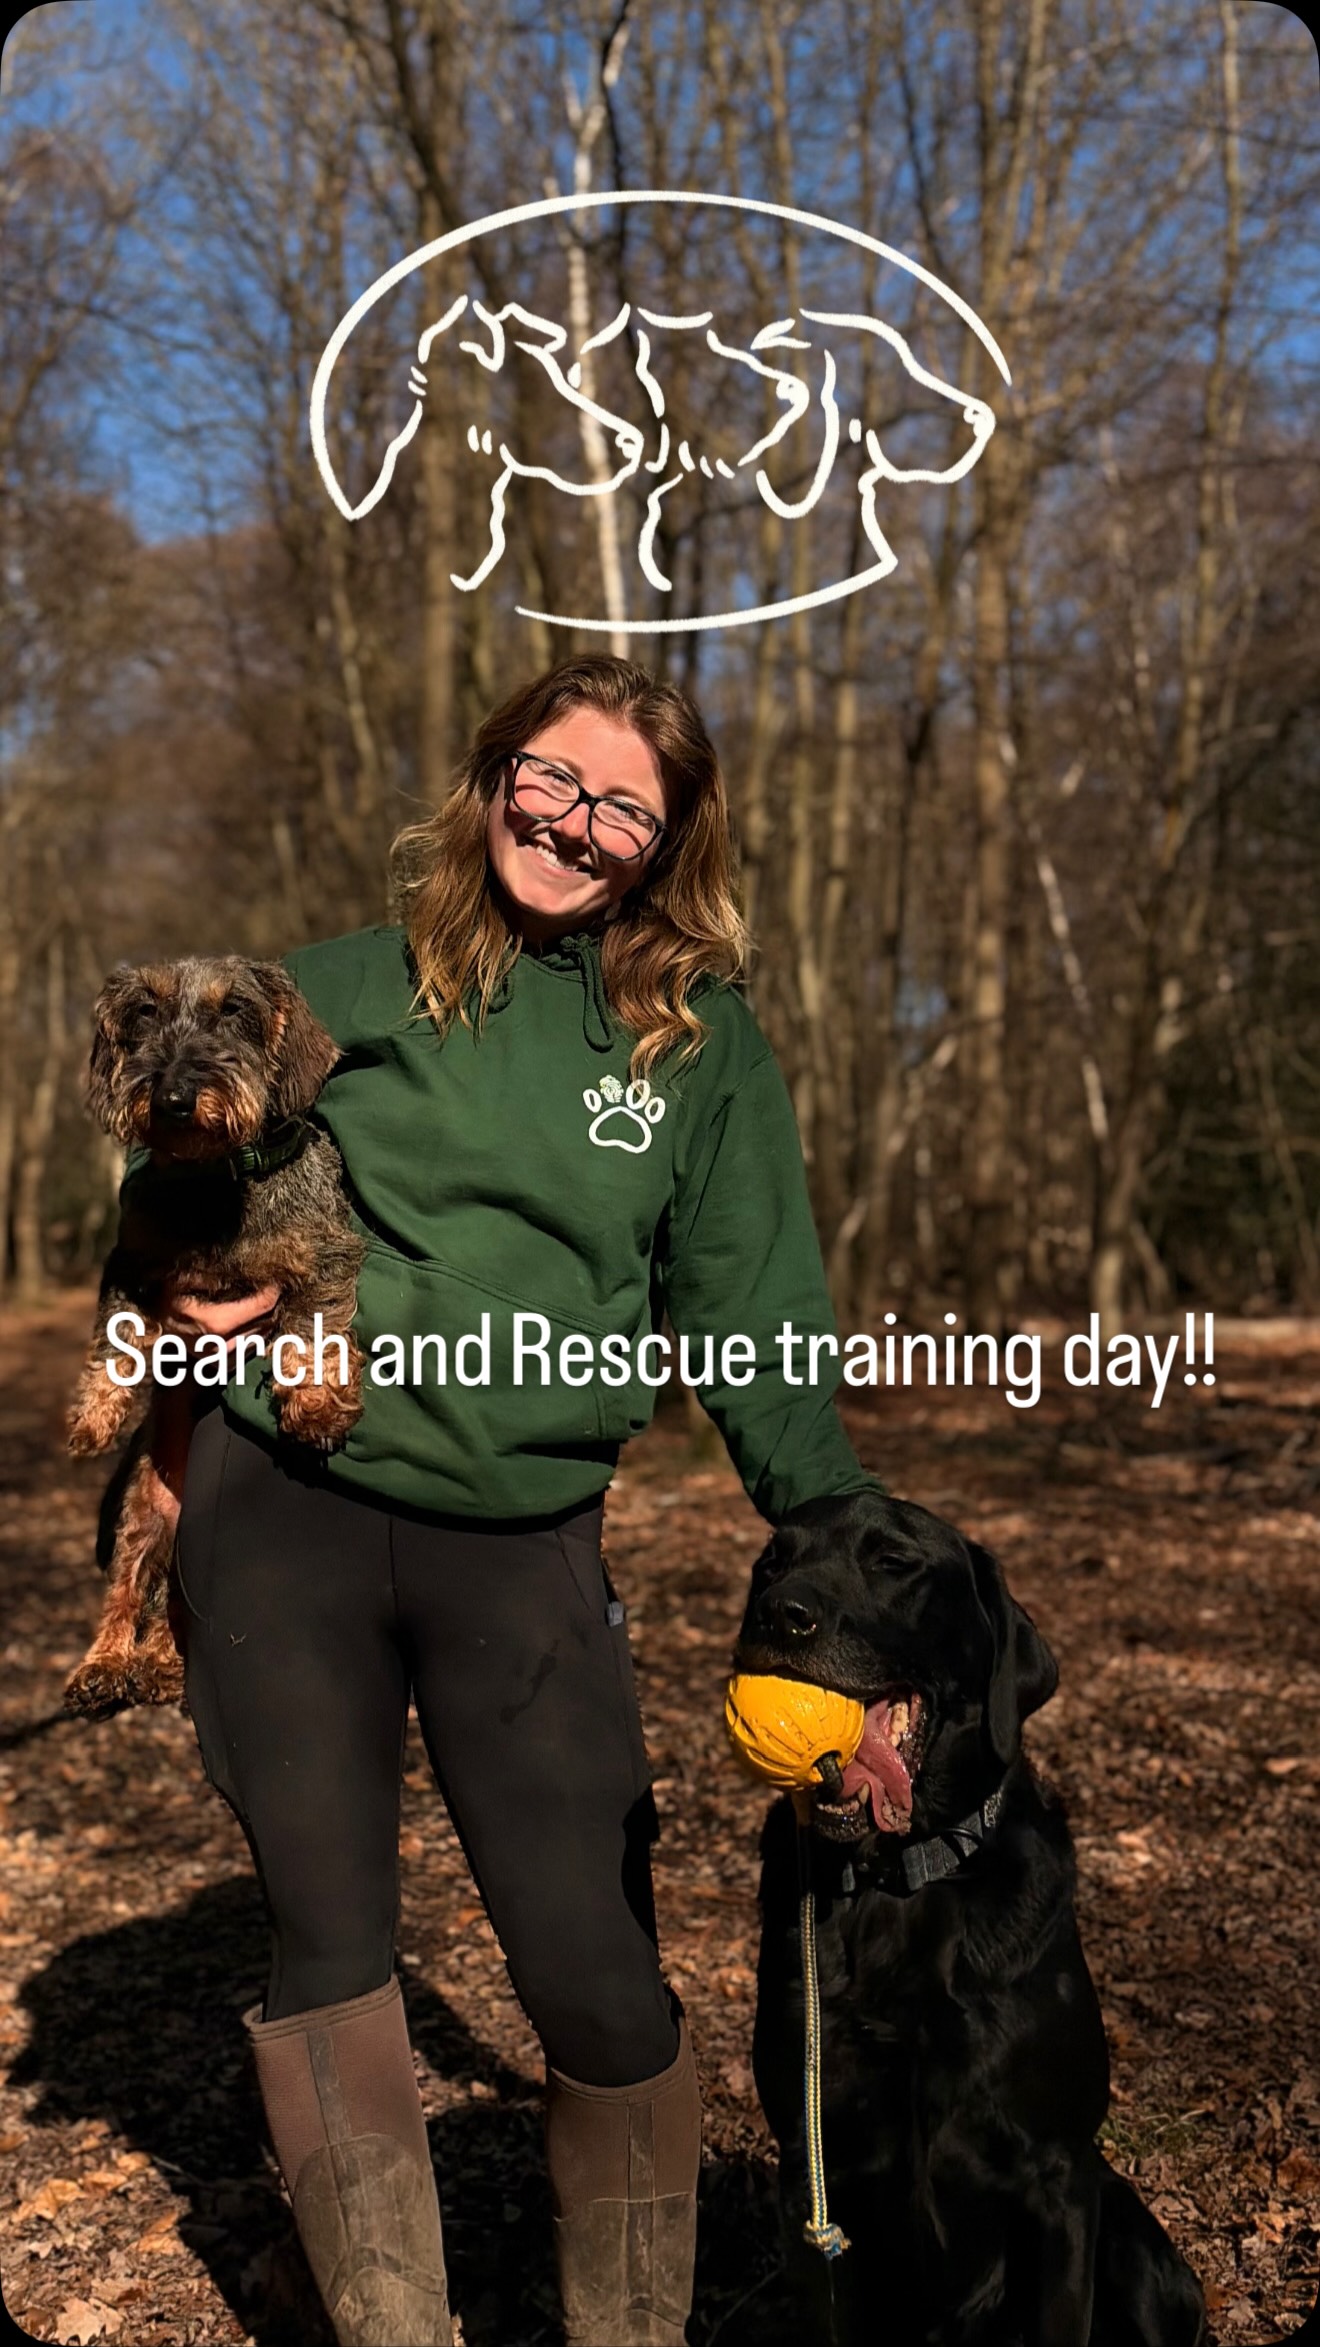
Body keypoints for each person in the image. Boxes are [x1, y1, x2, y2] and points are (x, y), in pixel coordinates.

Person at [161, 655, 882, 2347]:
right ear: (493, 777)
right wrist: (199, 1270)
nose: (575, 823)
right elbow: (170, 1162)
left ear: (668, 840)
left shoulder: (694, 1046)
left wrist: (848, 1554)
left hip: (526, 1539)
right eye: (551, 779)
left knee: (597, 1978)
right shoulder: (320, 991)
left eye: (625, 803)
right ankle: (388, 2319)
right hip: (288, 1510)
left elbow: (756, 1322)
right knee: (328, 1948)